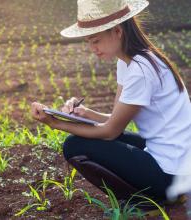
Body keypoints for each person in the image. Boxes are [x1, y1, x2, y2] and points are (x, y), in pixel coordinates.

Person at [30, 0, 191, 203]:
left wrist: (56, 124)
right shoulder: (131, 61)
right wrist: (85, 113)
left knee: (74, 145)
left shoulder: (140, 71)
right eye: (88, 41)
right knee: (103, 139)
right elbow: (114, 119)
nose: (92, 48)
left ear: (117, 31)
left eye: (95, 40)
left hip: (173, 174)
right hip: (172, 156)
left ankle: (147, 200)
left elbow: (110, 131)